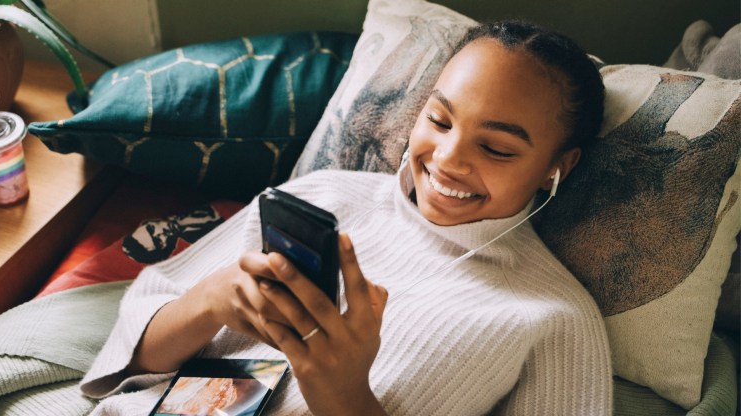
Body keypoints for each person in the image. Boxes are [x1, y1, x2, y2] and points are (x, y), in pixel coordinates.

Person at [81, 20, 612, 415]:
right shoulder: (323, 196)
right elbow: (131, 356)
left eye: (496, 148)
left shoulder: (554, 319)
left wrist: (347, 398)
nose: (448, 158)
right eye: (439, 119)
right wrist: (210, 301)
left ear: (556, 167)